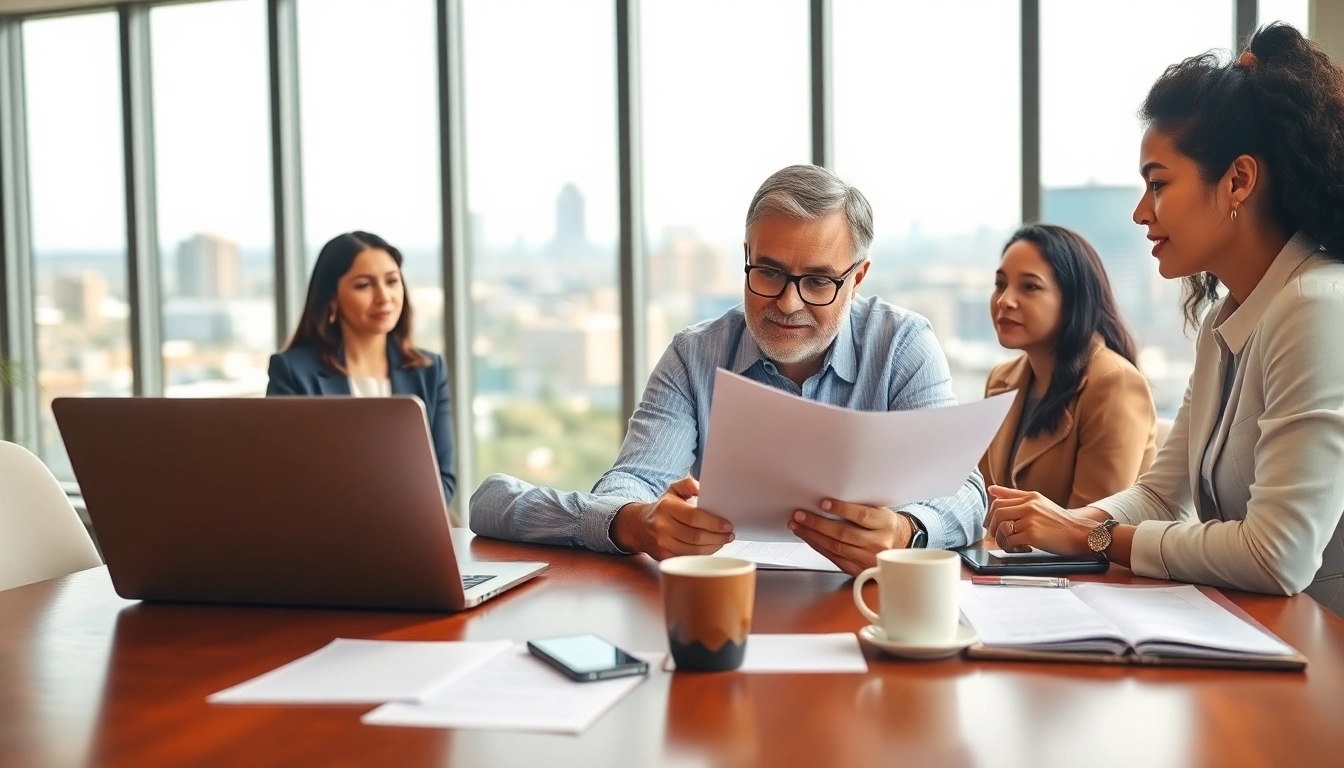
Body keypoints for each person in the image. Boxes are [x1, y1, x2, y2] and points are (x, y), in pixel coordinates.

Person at [470, 164, 988, 575]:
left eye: (818, 281)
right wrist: (640, 523)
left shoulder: (902, 345)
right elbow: (632, 481)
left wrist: (906, 532)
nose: (788, 303)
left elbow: (963, 491)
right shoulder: (695, 353)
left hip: (865, 610)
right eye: (769, 272)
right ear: (746, 256)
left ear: (858, 278)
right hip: (720, 606)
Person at [985, 23, 1344, 614]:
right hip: (1259, 637)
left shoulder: (1315, 308)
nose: (1139, 211)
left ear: (1238, 181)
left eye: (1158, 184)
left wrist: (1089, 536)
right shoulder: (1222, 324)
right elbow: (1160, 495)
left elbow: (1278, 554)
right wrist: (1058, 524)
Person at [267, 231, 457, 506]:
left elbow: (443, 481)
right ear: (331, 298)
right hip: (324, 537)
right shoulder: (292, 372)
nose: (384, 297)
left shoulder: (429, 370)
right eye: (364, 285)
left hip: (408, 534)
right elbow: (284, 478)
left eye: (392, 281)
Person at [979, 224, 1156, 509]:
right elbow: (981, 505)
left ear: (1073, 301)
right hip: (999, 553)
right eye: (1000, 284)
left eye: (1029, 287)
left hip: (1082, 554)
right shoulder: (1001, 380)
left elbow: (1092, 529)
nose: (1004, 300)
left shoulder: (1114, 384)